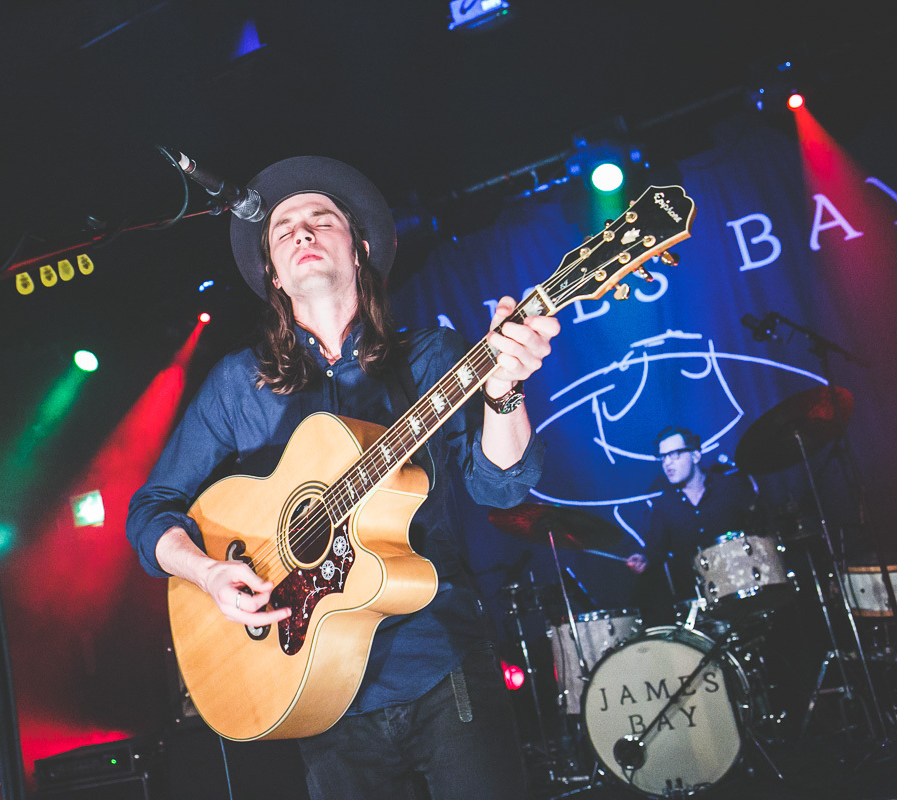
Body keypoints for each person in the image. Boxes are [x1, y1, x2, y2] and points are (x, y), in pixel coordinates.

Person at [127, 156, 559, 799]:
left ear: (359, 250)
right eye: (283, 229)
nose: (301, 232)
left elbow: (499, 486)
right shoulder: (236, 385)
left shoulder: (433, 359)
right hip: (316, 688)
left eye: (320, 219)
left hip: (440, 660)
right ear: (273, 274)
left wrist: (503, 392)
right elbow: (151, 508)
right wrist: (207, 571)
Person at [627, 426, 760, 625]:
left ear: (696, 455)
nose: (667, 463)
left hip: (746, 592)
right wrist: (643, 559)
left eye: (674, 454)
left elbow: (760, 531)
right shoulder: (664, 506)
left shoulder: (730, 487)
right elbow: (656, 550)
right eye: (663, 458)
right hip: (700, 607)